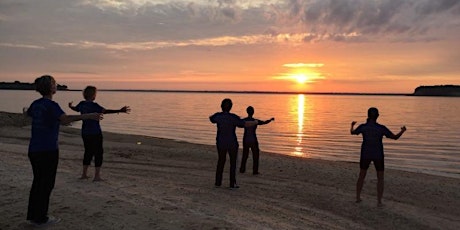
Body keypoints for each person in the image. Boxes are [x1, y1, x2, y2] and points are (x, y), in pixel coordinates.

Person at [25, 75, 102, 227]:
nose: (56, 85)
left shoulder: (36, 104)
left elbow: (28, 114)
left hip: (34, 149)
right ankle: (41, 218)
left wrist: (25, 112)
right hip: (47, 150)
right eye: (54, 83)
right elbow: (65, 119)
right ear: (50, 88)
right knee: (46, 184)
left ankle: (34, 215)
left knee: (38, 182)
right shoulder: (51, 105)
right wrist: (89, 116)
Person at [69, 86, 130, 181]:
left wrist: (70, 106)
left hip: (85, 132)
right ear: (93, 95)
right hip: (95, 132)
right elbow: (106, 111)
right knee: (98, 153)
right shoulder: (95, 106)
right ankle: (97, 176)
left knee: (88, 152)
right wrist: (119, 110)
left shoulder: (81, 104)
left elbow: (76, 109)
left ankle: (84, 174)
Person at [350, 107, 406, 206]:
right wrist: (402, 131)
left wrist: (352, 125)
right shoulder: (381, 128)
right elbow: (395, 137)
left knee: (362, 176)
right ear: (377, 116)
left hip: (366, 154)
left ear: (368, 115)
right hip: (378, 155)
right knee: (380, 178)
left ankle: (358, 198)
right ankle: (379, 201)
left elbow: (352, 132)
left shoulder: (363, 127)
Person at [209, 98, 258, 189]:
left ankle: (218, 182)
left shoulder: (218, 116)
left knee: (221, 161)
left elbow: (211, 119)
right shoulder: (233, 117)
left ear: (221, 106)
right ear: (231, 107)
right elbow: (244, 124)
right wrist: (255, 122)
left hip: (221, 142)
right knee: (233, 163)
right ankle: (232, 183)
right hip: (232, 143)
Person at [239, 106, 274, 175]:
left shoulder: (244, 121)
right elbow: (264, 122)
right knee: (255, 155)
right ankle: (255, 171)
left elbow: (238, 124)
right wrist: (270, 120)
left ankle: (242, 169)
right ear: (253, 112)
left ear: (247, 112)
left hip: (246, 139)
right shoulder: (255, 121)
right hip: (253, 140)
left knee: (245, 155)